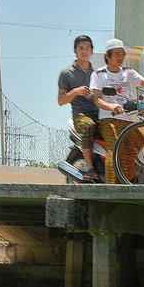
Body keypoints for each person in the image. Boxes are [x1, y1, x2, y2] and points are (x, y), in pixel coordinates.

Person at [90, 38, 144, 183]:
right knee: (115, 147)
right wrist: (112, 107)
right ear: (108, 56)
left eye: (122, 53)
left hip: (130, 120)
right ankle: (111, 186)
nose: (121, 57)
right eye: (117, 54)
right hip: (109, 119)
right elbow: (97, 99)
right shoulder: (99, 74)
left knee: (141, 141)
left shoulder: (129, 73)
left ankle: (128, 182)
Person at [57, 35, 100, 181]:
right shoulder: (66, 73)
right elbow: (61, 100)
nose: (84, 51)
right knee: (88, 126)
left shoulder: (98, 74)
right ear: (75, 50)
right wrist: (75, 91)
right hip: (81, 114)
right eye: (81, 48)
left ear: (92, 51)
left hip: (99, 112)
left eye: (88, 48)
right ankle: (89, 168)